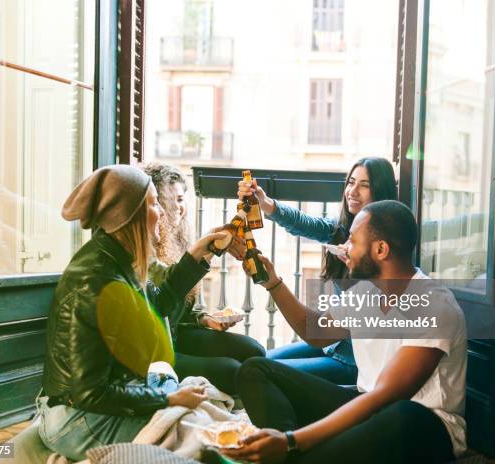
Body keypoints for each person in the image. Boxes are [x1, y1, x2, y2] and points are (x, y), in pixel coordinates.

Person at [225, 200, 467, 463]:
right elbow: (316, 332)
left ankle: (290, 451)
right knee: (255, 370)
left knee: (404, 415)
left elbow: (386, 395)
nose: (344, 248)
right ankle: (291, 454)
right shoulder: (366, 291)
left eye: (352, 240)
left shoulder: (434, 304)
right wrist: (273, 283)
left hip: (421, 426)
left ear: (381, 249)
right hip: (366, 406)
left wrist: (291, 442)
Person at [39, 165, 234, 461]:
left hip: (100, 401)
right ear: (130, 215)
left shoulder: (119, 261)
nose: (162, 213)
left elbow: (158, 307)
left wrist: (197, 254)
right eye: (154, 203)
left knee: (204, 421)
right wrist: (168, 398)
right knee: (201, 435)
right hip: (75, 419)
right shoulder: (97, 282)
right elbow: (89, 394)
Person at [238, 157, 397, 384]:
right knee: (259, 357)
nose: (353, 191)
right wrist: (266, 203)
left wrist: (358, 262)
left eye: (365, 185)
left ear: (381, 191)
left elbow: (318, 331)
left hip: (353, 361)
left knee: (262, 371)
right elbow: (306, 223)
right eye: (351, 182)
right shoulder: (343, 228)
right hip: (333, 345)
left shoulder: (387, 246)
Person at [143, 162, 265, 395]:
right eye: (174, 200)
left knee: (254, 350)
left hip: (179, 333)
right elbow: (165, 297)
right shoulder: (144, 243)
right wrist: (206, 246)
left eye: (182, 200)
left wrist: (204, 319)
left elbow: (182, 306)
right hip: (158, 347)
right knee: (233, 371)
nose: (180, 208)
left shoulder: (177, 236)